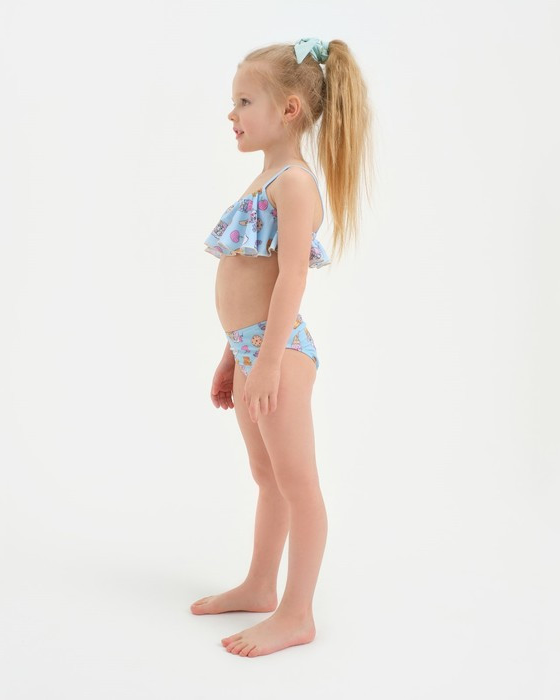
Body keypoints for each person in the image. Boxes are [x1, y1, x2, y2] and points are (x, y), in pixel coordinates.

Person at [192, 37, 373, 657]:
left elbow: (291, 278)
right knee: (266, 476)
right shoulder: (265, 178)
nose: (232, 113)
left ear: (289, 109)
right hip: (252, 350)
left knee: (298, 483)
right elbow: (253, 280)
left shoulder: (294, 184)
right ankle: (260, 586)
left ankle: (298, 614)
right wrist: (233, 355)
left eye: (244, 101)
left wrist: (267, 361)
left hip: (279, 355)